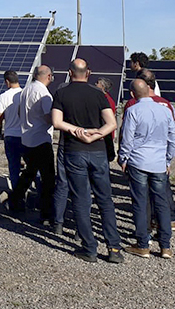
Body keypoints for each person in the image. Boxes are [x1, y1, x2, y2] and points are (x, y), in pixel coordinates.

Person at [51, 58, 124, 263]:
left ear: (70, 72)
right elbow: (111, 123)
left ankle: (89, 247)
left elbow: (57, 122)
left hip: (75, 151)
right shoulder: (98, 94)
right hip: (98, 152)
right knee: (105, 199)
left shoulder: (61, 93)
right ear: (88, 73)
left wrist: (77, 131)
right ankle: (114, 248)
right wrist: (95, 134)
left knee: (81, 200)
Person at [119, 79, 175, 259]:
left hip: (138, 161)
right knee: (161, 202)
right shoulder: (164, 109)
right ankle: (165, 245)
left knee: (140, 202)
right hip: (159, 162)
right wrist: (168, 159)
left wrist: (123, 158)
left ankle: (143, 243)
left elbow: (127, 138)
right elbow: (173, 138)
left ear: (132, 94)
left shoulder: (132, 111)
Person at [8, 65, 55, 225]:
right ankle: (46, 213)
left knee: (28, 173)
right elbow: (50, 118)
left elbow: (21, 113)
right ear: (48, 76)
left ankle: (15, 200)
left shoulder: (25, 90)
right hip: (41, 139)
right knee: (48, 179)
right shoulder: (44, 94)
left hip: (27, 138)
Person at [0, 70, 24, 190]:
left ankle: (16, 195)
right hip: (25, 135)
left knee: (13, 167)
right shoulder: (25, 94)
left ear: (7, 82)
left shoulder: (4, 96)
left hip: (11, 136)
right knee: (32, 165)